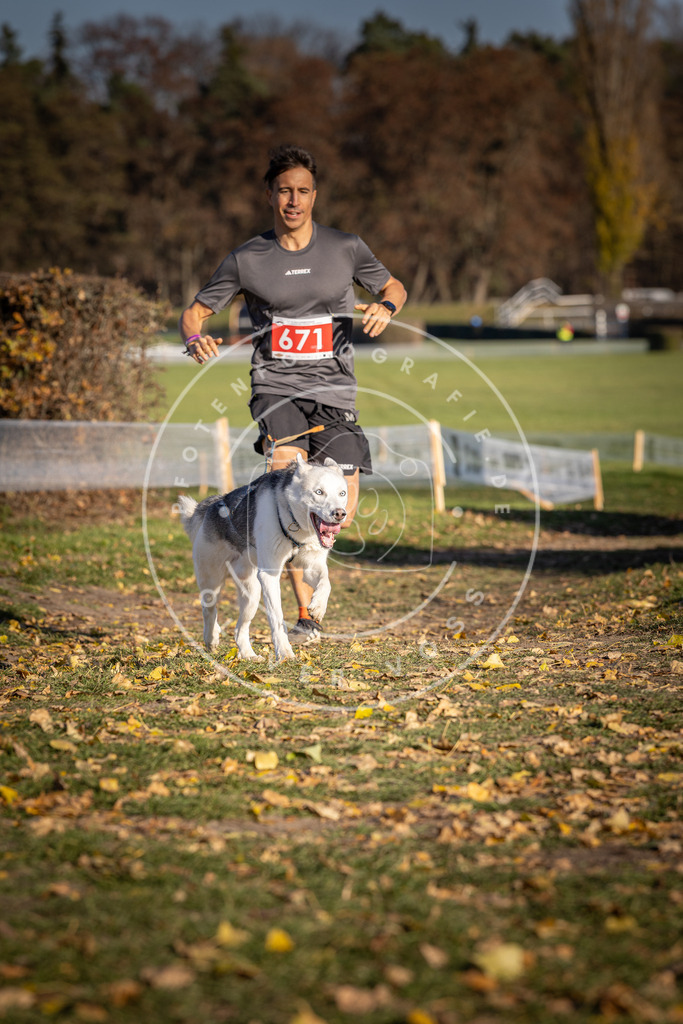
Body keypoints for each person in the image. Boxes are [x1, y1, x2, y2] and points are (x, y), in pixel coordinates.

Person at [179, 144, 407, 643]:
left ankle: (316, 572)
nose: (294, 200)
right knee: (288, 492)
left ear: (314, 196)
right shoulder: (247, 258)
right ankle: (304, 619)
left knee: (340, 502)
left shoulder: (345, 247)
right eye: (285, 190)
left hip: (334, 388)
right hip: (276, 389)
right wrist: (195, 337)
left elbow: (393, 286)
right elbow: (195, 312)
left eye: (303, 191)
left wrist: (386, 306)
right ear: (270, 195)